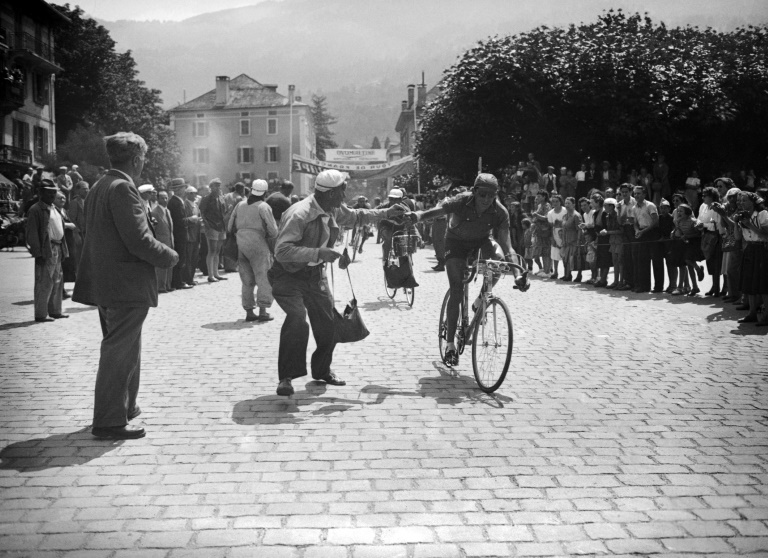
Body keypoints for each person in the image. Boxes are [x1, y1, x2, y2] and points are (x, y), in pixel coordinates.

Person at [73, 132, 178, 439]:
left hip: (109, 283)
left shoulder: (101, 185)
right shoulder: (122, 188)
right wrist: (170, 256)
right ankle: (109, 421)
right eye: (143, 158)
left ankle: (125, 407)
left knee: (127, 348)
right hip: (125, 285)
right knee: (119, 351)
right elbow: (139, 240)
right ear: (136, 159)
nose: (143, 163)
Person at [269, 169, 407, 396]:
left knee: (328, 324)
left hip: (315, 276)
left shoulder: (331, 207)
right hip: (288, 275)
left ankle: (322, 370)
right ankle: (286, 378)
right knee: (297, 319)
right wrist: (319, 253)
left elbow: (356, 216)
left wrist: (386, 212)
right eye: (342, 191)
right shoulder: (300, 214)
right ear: (331, 193)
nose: (345, 195)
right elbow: (282, 251)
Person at [410, 173, 528, 367]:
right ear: (474, 191)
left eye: (491, 195)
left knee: (498, 262)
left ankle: (481, 299)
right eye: (482, 194)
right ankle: (450, 346)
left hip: (482, 241)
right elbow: (438, 211)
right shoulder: (461, 200)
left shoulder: (500, 211)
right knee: (456, 290)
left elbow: (508, 246)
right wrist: (418, 216)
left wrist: (517, 275)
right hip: (455, 242)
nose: (486, 199)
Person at [229, 179, 278, 322]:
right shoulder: (263, 207)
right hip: (258, 244)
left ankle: (249, 312)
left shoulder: (240, 205)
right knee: (263, 278)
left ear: (251, 190)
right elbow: (273, 230)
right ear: (264, 192)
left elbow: (230, 226)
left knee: (247, 280)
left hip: (241, 243)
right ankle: (263, 311)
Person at [26, 179, 72, 322]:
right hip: (46, 249)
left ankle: (55, 311)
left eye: (54, 192)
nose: (52, 195)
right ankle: (41, 314)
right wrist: (38, 253)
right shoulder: (36, 210)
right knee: (44, 282)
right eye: (48, 192)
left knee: (57, 280)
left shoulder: (54, 208)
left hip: (58, 247)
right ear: (40, 193)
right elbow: (32, 234)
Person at [735, 191, 768, 325]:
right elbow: (738, 237)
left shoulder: (762, 214)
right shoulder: (743, 215)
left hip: (762, 249)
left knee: (763, 283)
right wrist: (736, 223)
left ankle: (766, 315)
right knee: (749, 282)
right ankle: (752, 313)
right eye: (740, 200)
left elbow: (766, 235)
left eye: (744, 200)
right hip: (749, 248)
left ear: (753, 202)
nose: (741, 203)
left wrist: (749, 225)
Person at [632, 185, 663, 293]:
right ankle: (644, 286)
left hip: (652, 232)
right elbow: (635, 223)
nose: (636, 195)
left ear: (644, 194)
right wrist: (637, 230)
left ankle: (658, 287)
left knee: (656, 260)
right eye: (635, 193)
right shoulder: (634, 208)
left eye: (639, 193)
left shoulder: (650, 205)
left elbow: (655, 221)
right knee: (643, 260)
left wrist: (643, 231)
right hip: (642, 233)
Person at [199, 178, 227, 282]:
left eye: (219, 185)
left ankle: (216, 273)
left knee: (218, 251)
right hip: (212, 226)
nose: (219, 187)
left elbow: (223, 212)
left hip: (221, 226)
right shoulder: (206, 198)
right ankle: (210, 275)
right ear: (211, 187)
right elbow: (202, 212)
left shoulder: (221, 198)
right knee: (212, 250)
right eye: (216, 186)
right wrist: (207, 225)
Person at [697, 186, 723, 296]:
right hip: (705, 236)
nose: (703, 197)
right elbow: (699, 218)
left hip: (716, 237)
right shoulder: (703, 206)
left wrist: (705, 225)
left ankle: (718, 288)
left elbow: (717, 224)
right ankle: (713, 286)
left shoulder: (717, 207)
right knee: (710, 262)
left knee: (717, 262)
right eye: (702, 195)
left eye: (705, 196)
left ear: (712, 197)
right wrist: (699, 224)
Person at [168, 178, 192, 290]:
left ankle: (181, 280)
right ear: (177, 189)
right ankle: (178, 281)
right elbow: (179, 221)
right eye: (183, 188)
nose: (185, 190)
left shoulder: (178, 201)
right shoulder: (175, 202)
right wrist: (191, 219)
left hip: (181, 234)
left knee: (183, 257)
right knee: (180, 258)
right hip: (179, 235)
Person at [151, 189, 175, 293]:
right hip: (161, 242)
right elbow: (153, 229)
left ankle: (168, 285)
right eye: (162, 198)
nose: (165, 200)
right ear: (158, 199)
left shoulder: (168, 211)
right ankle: (161, 286)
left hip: (170, 241)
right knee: (161, 266)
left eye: (166, 198)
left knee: (170, 263)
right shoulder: (154, 212)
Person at [68, 181, 89, 280]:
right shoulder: (75, 202)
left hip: (88, 234)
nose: (86, 191)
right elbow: (72, 219)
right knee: (79, 257)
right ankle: (78, 278)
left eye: (87, 188)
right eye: (84, 189)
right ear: (78, 190)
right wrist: (76, 234)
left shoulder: (89, 201)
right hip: (80, 233)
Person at [559, 197, 582, 282]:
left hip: (574, 240)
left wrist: (578, 241)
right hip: (565, 240)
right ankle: (567, 274)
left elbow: (579, 229)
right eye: (566, 203)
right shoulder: (565, 216)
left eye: (569, 203)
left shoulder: (576, 215)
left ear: (573, 205)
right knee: (565, 259)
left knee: (574, 259)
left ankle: (579, 275)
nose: (567, 205)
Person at [184, 186, 202, 286]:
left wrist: (199, 221)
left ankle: (191, 278)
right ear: (188, 194)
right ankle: (187, 279)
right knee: (188, 259)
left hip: (196, 236)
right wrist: (193, 219)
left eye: (195, 193)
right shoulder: (185, 205)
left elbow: (198, 217)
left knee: (194, 258)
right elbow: (184, 220)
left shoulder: (195, 205)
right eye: (193, 193)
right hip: (189, 236)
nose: (195, 195)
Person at [547, 194, 565, 279]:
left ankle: (566, 273)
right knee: (555, 255)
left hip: (564, 234)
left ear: (560, 202)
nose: (555, 203)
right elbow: (551, 227)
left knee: (565, 255)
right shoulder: (550, 213)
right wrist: (552, 238)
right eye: (553, 201)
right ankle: (556, 272)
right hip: (555, 234)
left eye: (557, 201)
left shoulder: (565, 210)